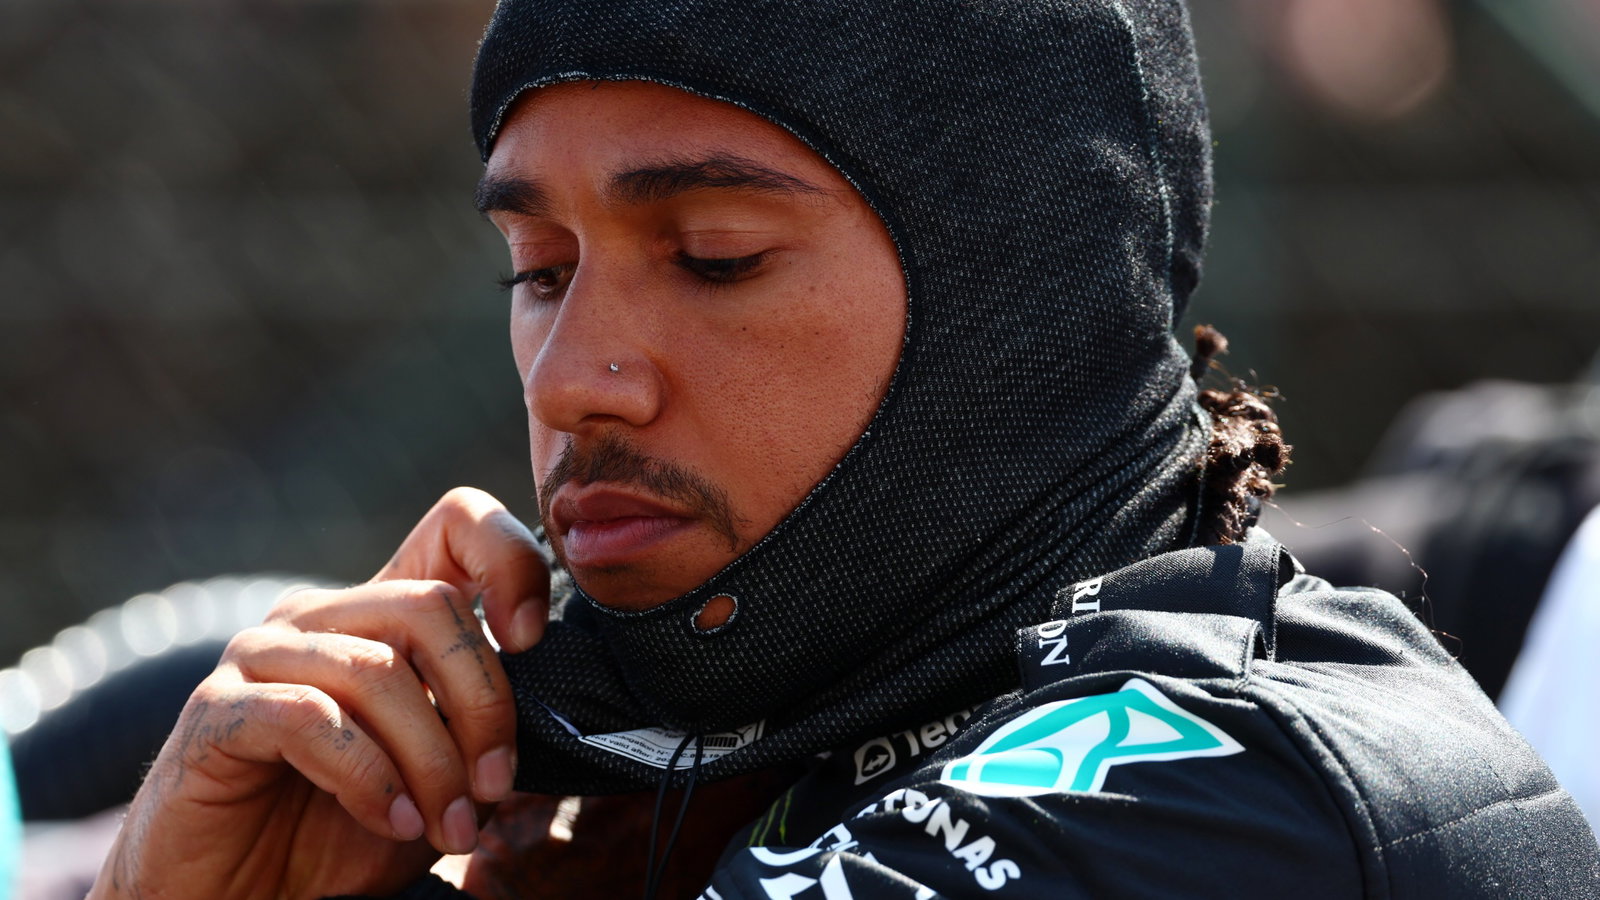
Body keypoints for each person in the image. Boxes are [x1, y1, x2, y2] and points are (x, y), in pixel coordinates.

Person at [91, 1, 1600, 898]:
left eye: (717, 257)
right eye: (539, 270)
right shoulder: (619, 772)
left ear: (1016, 290)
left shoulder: (1218, 792)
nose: (577, 380)